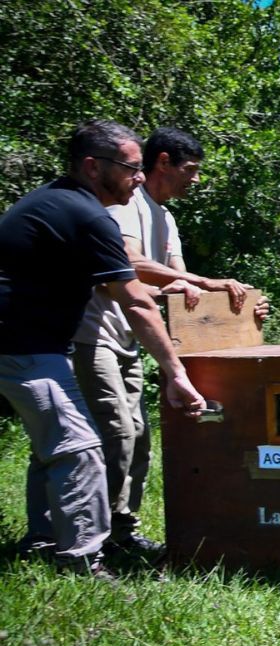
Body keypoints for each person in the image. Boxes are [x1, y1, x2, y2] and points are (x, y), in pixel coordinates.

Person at [0, 120, 206, 578]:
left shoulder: (59, 202)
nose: (139, 176)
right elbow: (134, 300)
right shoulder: (87, 215)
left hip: (29, 344)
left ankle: (43, 540)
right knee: (81, 447)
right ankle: (82, 562)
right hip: (21, 344)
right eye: (132, 168)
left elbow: (123, 291)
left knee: (57, 444)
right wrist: (175, 373)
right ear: (94, 167)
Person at [70, 127, 268, 558]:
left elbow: (183, 292)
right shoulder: (127, 205)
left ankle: (122, 532)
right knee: (116, 433)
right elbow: (127, 264)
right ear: (163, 162)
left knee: (138, 435)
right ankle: (89, 541)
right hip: (94, 333)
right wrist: (197, 281)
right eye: (191, 170)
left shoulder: (167, 218)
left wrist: (244, 307)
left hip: (130, 339)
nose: (195, 180)